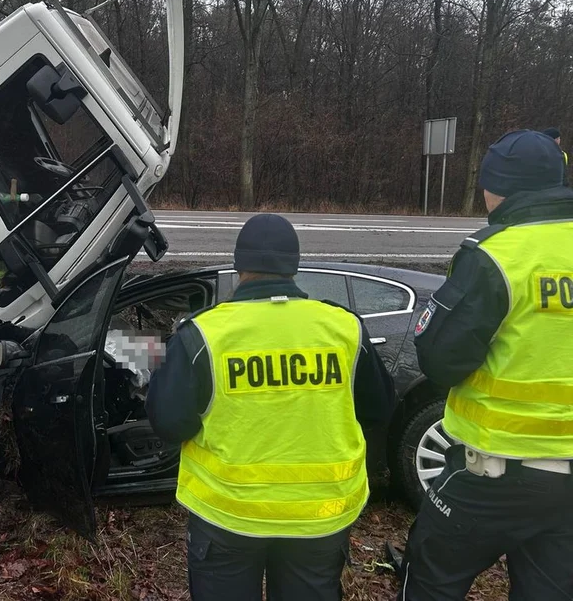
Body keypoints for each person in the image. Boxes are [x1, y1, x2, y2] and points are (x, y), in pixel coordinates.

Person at [146, 213, 396, 601]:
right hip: (319, 518)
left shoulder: (203, 334)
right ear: (294, 266)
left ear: (239, 266)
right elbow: (378, 409)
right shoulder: (344, 328)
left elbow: (169, 422)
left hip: (228, 517)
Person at [398, 129, 573, 600]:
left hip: (497, 475)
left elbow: (441, 359)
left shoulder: (497, 256)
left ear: (499, 188)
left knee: (431, 578)